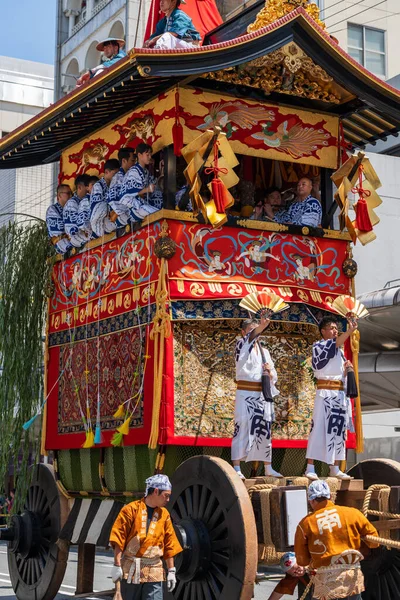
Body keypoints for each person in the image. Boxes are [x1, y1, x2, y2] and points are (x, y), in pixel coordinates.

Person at [294, 480, 379, 600]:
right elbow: (374, 542)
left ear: (311, 500)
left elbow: (302, 561)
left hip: (326, 584)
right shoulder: (352, 513)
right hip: (351, 580)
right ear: (329, 496)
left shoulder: (305, 524)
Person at [109, 474, 182, 600]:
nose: (168, 500)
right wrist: (116, 565)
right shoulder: (130, 510)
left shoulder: (164, 515)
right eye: (166, 495)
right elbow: (118, 538)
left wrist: (171, 570)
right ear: (156, 491)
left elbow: (170, 543)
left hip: (154, 570)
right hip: (131, 569)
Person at [305, 316, 358, 481]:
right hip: (325, 392)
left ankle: (334, 467)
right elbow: (333, 346)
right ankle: (310, 467)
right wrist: (350, 330)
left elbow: (339, 373)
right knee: (319, 428)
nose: (335, 331)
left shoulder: (340, 352)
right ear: (323, 331)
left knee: (338, 430)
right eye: (332, 328)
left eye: (336, 328)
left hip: (339, 393)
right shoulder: (319, 346)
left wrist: (346, 370)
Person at [232, 316, 282, 479]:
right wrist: (261, 326)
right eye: (252, 329)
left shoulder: (264, 352)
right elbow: (250, 337)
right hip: (246, 392)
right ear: (243, 332)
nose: (256, 332)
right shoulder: (241, 344)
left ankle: (268, 467)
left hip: (261, 393)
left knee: (264, 429)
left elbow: (274, 375)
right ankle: (237, 467)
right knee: (243, 426)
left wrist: (269, 371)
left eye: (257, 329)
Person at [118, 143, 162, 222]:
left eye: (150, 155)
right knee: (158, 214)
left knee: (160, 206)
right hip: (132, 208)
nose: (150, 157)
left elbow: (154, 184)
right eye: (147, 155)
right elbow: (131, 192)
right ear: (140, 155)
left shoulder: (145, 171)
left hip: (142, 204)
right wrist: (147, 189)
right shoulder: (134, 171)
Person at [90, 159, 120, 238]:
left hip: (112, 217)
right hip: (100, 222)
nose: (116, 177)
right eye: (114, 174)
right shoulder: (98, 186)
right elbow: (99, 208)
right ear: (107, 172)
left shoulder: (114, 184)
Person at [108, 147, 136, 228]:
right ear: (124, 160)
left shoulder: (127, 175)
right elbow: (114, 202)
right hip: (120, 217)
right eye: (132, 161)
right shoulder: (118, 178)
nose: (134, 164)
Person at [63, 174, 92, 248]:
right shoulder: (72, 203)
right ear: (79, 187)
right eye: (87, 187)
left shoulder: (80, 201)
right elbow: (74, 229)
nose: (89, 190)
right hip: (77, 239)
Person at [46, 184, 73, 255]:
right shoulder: (52, 210)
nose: (71, 195)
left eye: (71, 193)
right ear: (59, 195)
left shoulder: (72, 207)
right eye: (68, 193)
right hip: (61, 244)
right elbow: (58, 231)